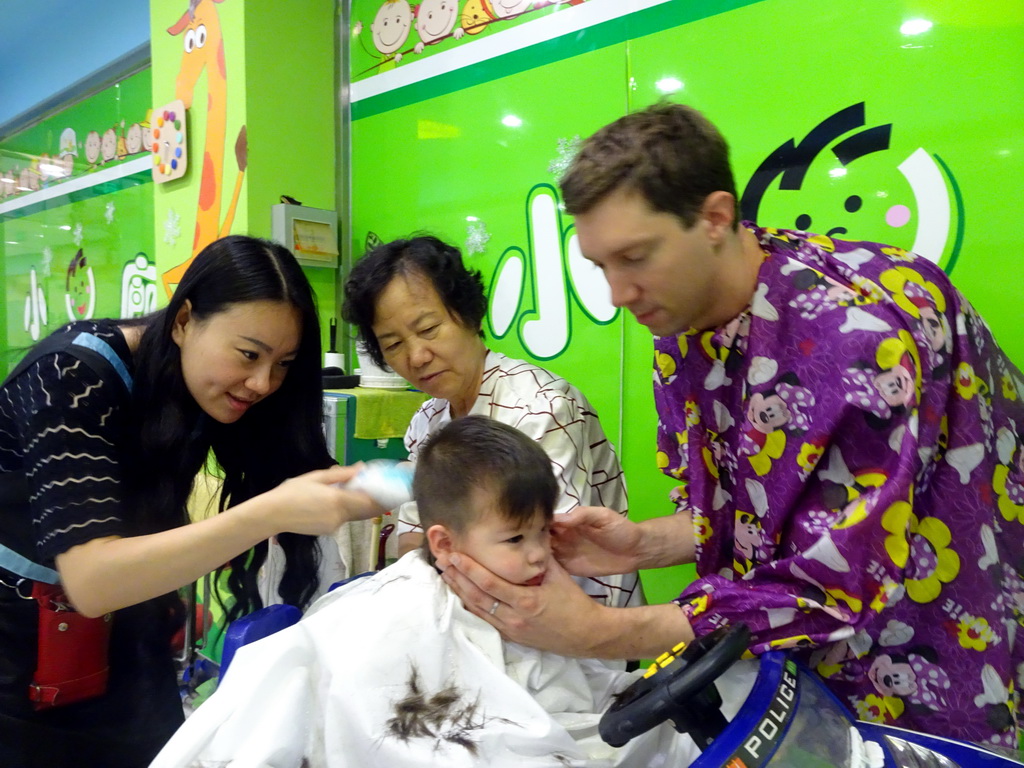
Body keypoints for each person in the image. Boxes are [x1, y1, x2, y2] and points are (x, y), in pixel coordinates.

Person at [439, 102, 1024, 751]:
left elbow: (825, 587)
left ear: (715, 218)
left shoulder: (857, 342)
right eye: (601, 265)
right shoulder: (684, 323)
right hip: (815, 663)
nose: (617, 293)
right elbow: (761, 521)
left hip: (932, 643)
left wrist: (599, 632)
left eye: (634, 257)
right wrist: (641, 544)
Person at [0, 235, 385, 767]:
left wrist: (405, 487)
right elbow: (92, 581)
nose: (262, 382)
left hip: (128, 635)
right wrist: (269, 511)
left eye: (283, 364)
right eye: (248, 354)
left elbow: (303, 477)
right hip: (22, 648)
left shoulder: (212, 384)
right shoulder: (69, 377)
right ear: (184, 321)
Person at [149, 416, 710, 767]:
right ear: (442, 543)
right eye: (516, 537)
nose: (539, 553)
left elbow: (570, 698)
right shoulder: (397, 613)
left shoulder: (532, 592)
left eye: (544, 530)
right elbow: (379, 727)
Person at [341, 235, 642, 609]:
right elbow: (413, 541)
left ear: (467, 314)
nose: (417, 356)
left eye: (429, 329)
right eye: (393, 344)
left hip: (581, 624)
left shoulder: (540, 408)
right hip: (476, 613)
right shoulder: (428, 421)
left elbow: (549, 552)